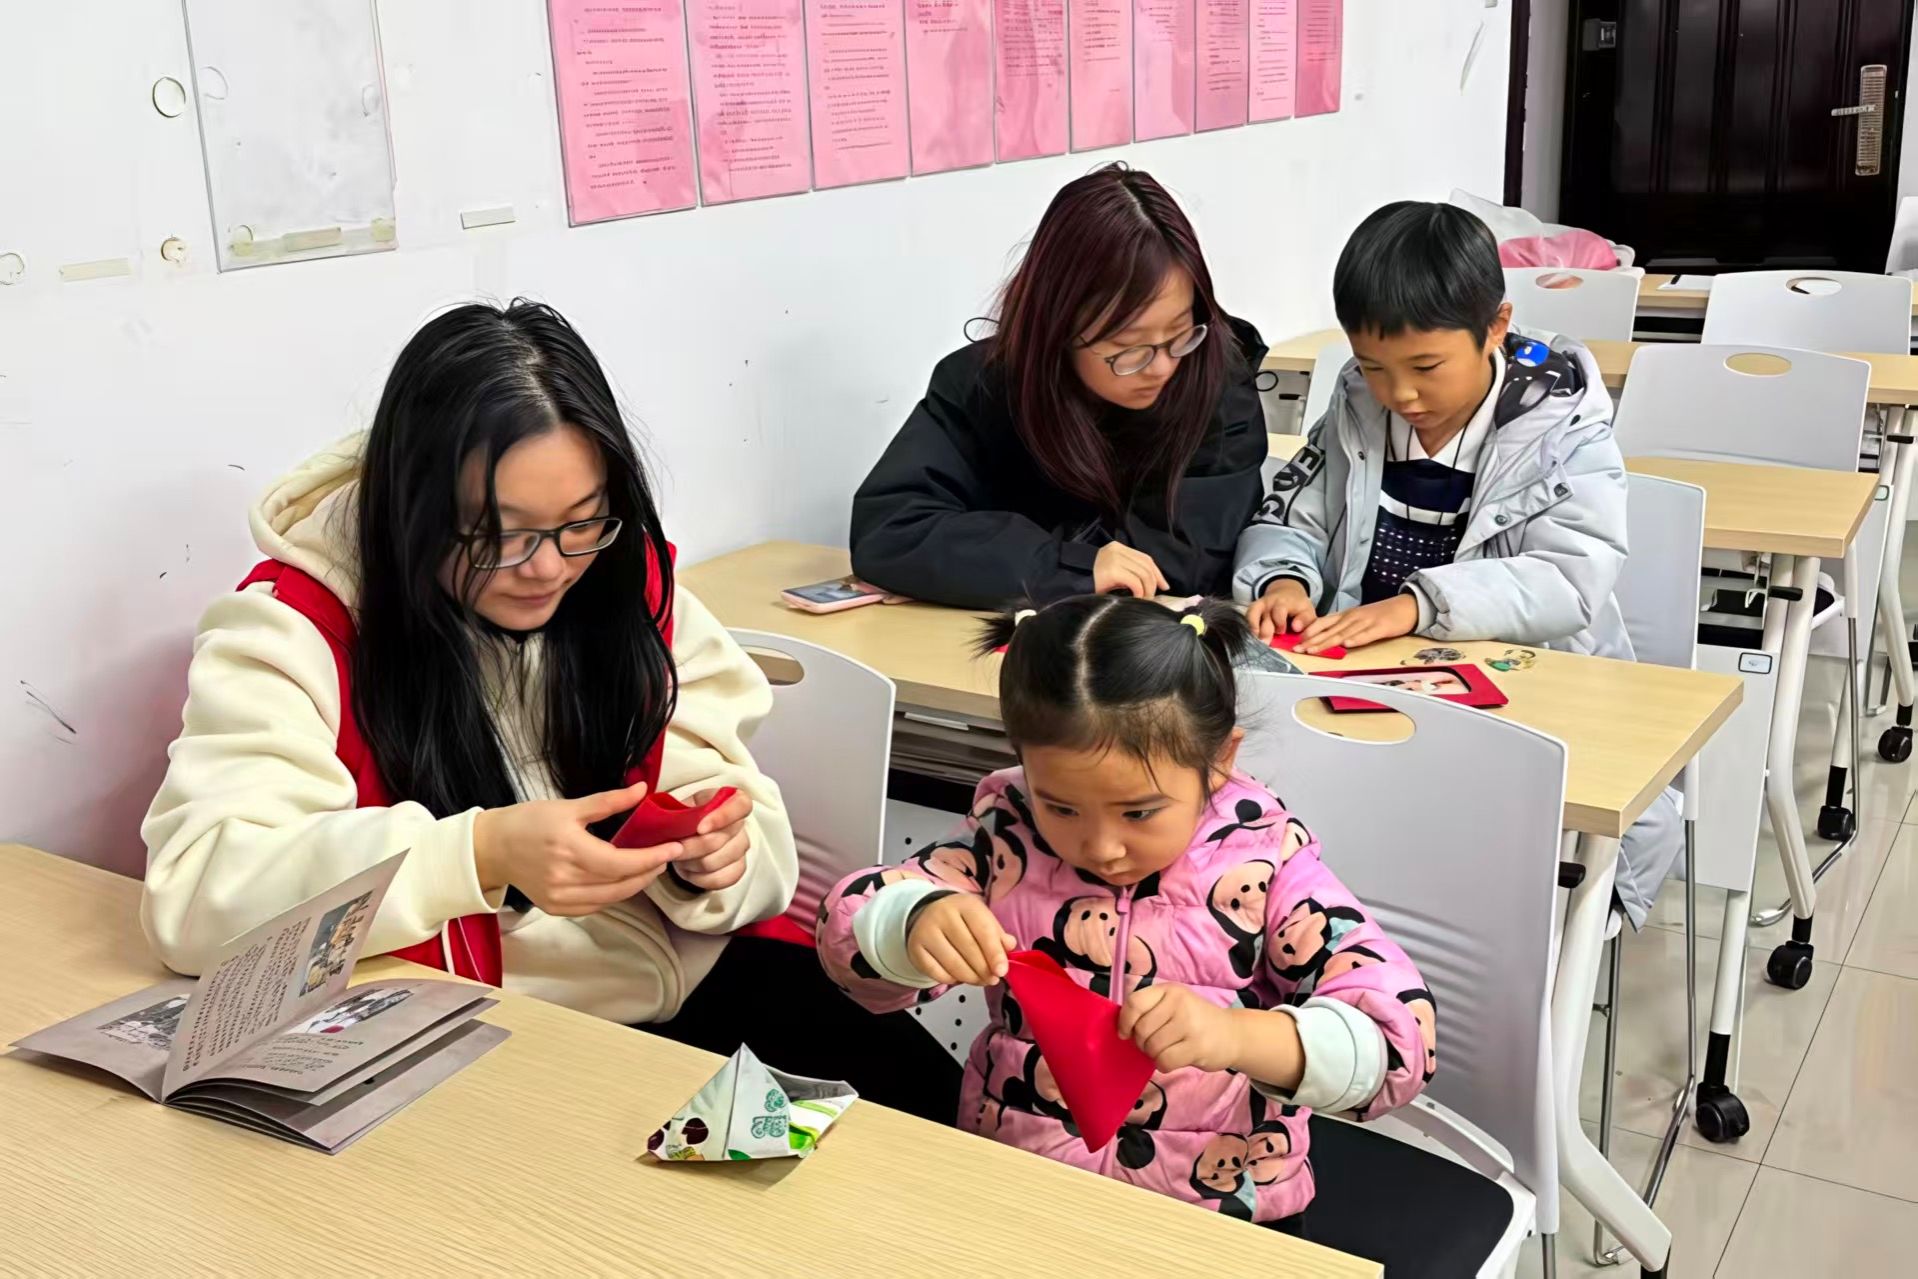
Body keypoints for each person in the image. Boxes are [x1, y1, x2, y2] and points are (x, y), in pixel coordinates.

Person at [139, 300, 959, 1119]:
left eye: (580, 522)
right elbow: (196, 898)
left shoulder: (625, 584)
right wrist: (480, 850)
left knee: (936, 1116)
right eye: (500, 533)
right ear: (412, 510)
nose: (548, 569)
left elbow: (747, 825)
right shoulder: (296, 630)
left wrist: (713, 862)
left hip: (681, 996)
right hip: (478, 1040)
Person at [816, 597, 1505, 1270]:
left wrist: (1236, 1037)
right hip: (1020, 1181)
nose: (1101, 845)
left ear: (1219, 760)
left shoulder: (1269, 865)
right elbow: (848, 922)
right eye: (1062, 806)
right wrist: (908, 921)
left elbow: (1398, 1039)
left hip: (1219, 1212)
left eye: (1139, 812)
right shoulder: (1006, 836)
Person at [1234, 201, 1680, 927]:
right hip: (1369, 681)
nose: (1400, 394)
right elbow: (1291, 513)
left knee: (1461, 856)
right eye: (1373, 366)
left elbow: (1569, 578)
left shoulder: (1561, 426)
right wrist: (1282, 576)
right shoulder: (1355, 406)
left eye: (1426, 367)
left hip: (1521, 689)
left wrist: (1418, 605)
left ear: (1496, 326)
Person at [850, 164, 1270, 609]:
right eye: (1129, 347)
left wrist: (1005, 566)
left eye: (1180, 333)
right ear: (1058, 326)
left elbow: (1177, 563)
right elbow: (890, 530)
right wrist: (1065, 565)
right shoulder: (983, 384)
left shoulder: (1215, 379)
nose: (1163, 367)